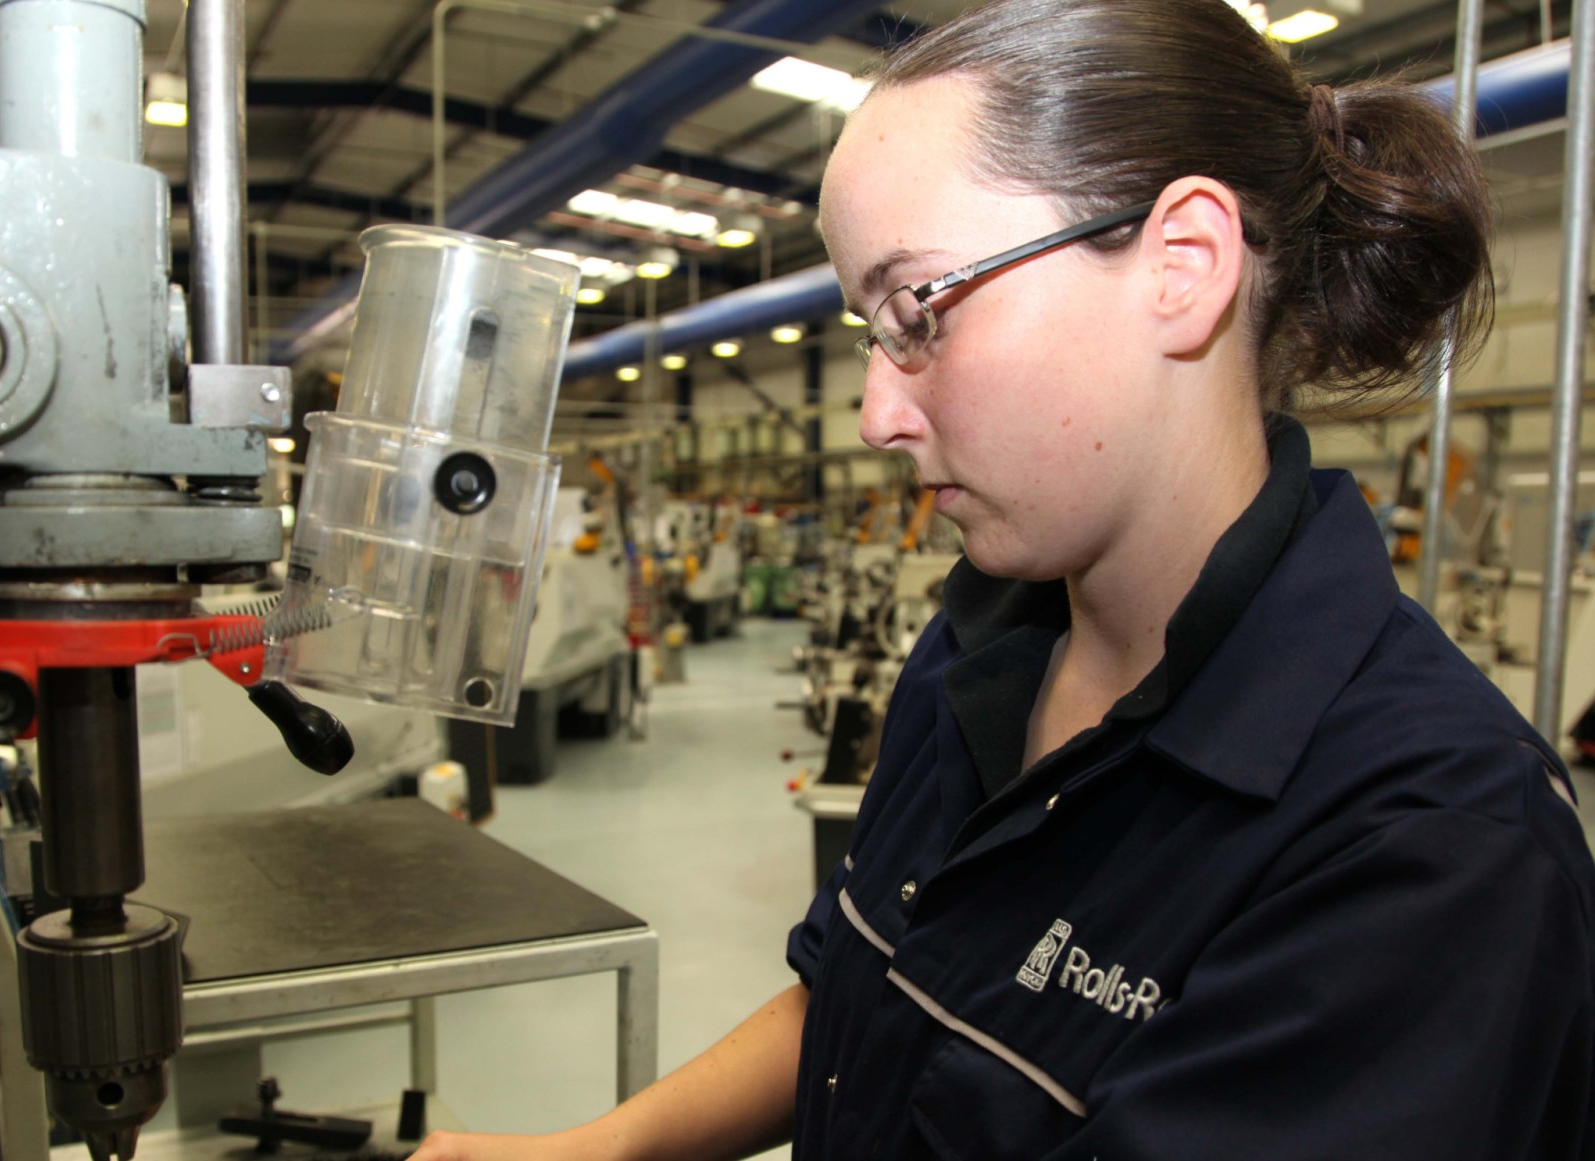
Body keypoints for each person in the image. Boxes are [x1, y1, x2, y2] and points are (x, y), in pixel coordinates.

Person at [409, 0, 1595, 1155]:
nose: (876, 413)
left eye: (918, 307)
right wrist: (602, 1148)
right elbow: (862, 990)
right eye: (869, 332)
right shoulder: (977, 654)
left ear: (1182, 263)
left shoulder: (1426, 851)